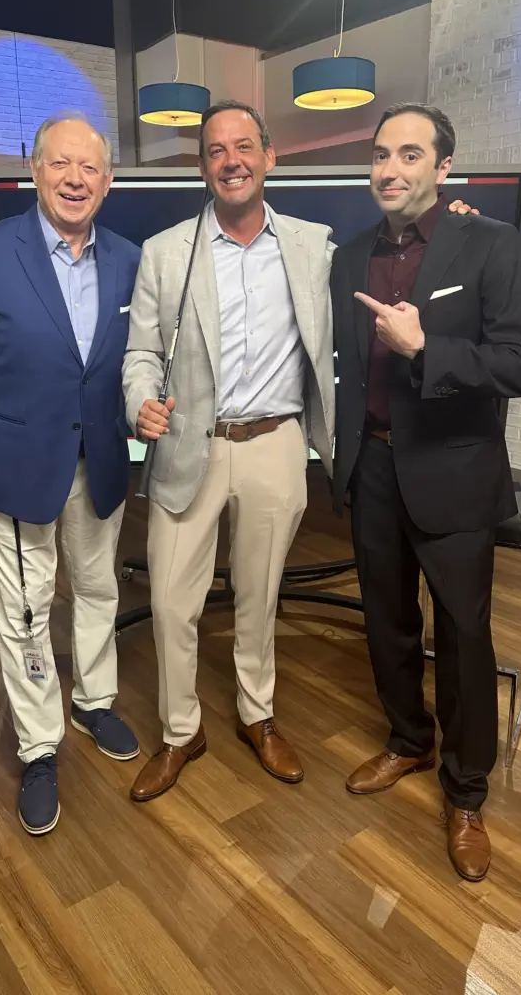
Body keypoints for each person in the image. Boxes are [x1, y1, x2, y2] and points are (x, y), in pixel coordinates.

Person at [331, 102, 521, 881]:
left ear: (442, 167)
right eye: (381, 155)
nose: (390, 169)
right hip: (373, 468)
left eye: (409, 155)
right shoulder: (348, 257)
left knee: (461, 639)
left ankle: (465, 791)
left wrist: (429, 349)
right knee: (385, 624)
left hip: (453, 473)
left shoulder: (487, 243)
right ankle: (407, 742)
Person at [0, 112, 142, 836]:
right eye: (61, 164)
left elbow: (131, 362)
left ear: (108, 182)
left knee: (94, 587)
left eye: (90, 168)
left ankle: (93, 701)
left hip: (101, 461)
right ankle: (40, 745)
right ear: (35, 168)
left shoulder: (127, 258)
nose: (75, 179)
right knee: (23, 612)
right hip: (15, 467)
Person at [122, 100, 336, 800]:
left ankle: (256, 715)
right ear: (203, 166)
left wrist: (449, 221)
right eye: (216, 150)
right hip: (191, 445)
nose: (231, 160)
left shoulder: (313, 245)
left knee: (259, 595)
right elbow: (142, 353)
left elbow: (397, 253)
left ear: (269, 157)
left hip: (277, 445)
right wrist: (140, 401)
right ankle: (181, 731)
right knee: (173, 603)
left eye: (243, 146)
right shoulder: (166, 252)